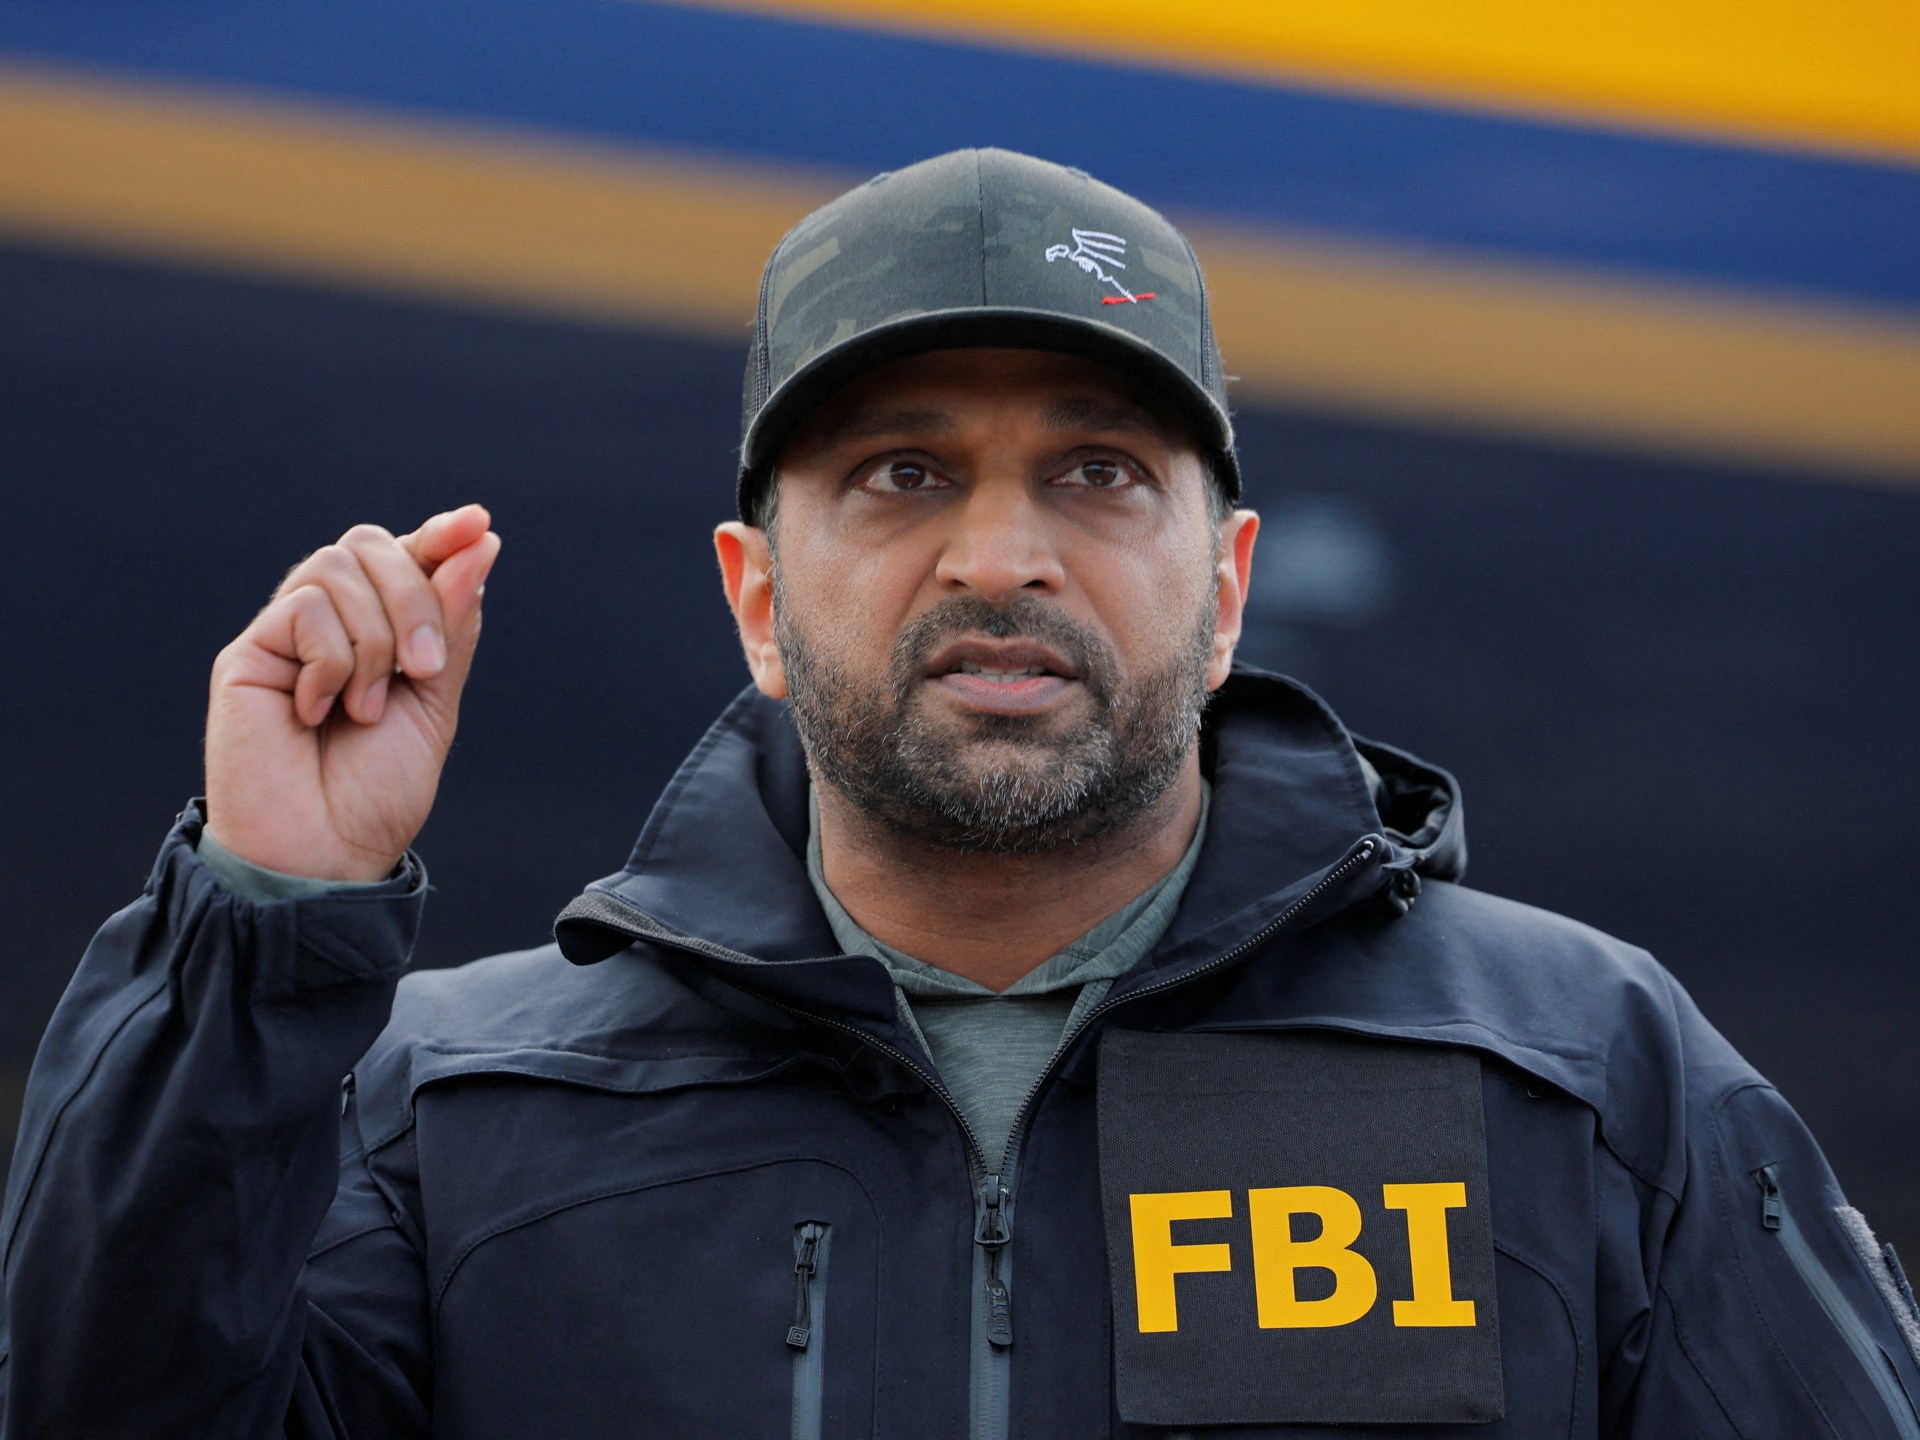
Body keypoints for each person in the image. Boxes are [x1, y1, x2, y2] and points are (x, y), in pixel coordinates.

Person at [3, 147, 1917, 1440]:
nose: (1001, 556)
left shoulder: (1583, 1083)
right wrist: (266, 918)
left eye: (1098, 473)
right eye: (902, 475)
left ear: (1226, 587)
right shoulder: (454, 1116)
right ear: (760, 600)